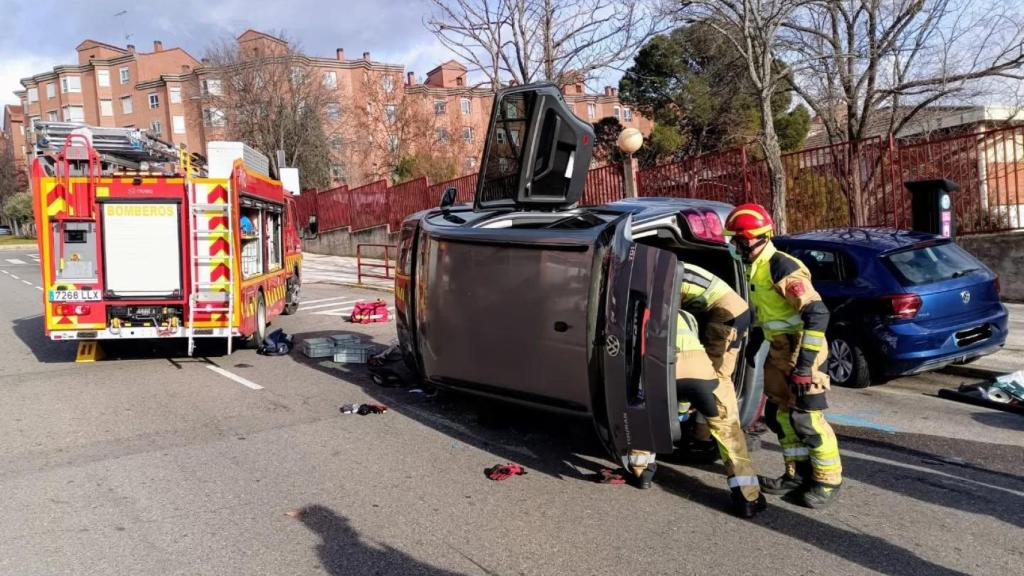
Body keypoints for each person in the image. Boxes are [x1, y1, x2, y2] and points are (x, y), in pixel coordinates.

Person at [724, 203, 842, 509]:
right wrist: (752, 346)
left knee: (807, 419)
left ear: (759, 237)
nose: (736, 245)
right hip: (779, 349)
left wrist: (805, 366)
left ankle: (827, 481)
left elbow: (817, 314)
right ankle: (796, 474)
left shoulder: (782, 267)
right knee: (780, 416)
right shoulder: (754, 267)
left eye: (741, 239)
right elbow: (767, 313)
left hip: (802, 350)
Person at [627, 309, 767, 519]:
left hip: (664, 371)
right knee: (727, 433)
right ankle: (747, 497)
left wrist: (678, 414)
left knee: (648, 417)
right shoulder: (687, 316)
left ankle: (642, 472)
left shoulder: (643, 310)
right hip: (700, 376)